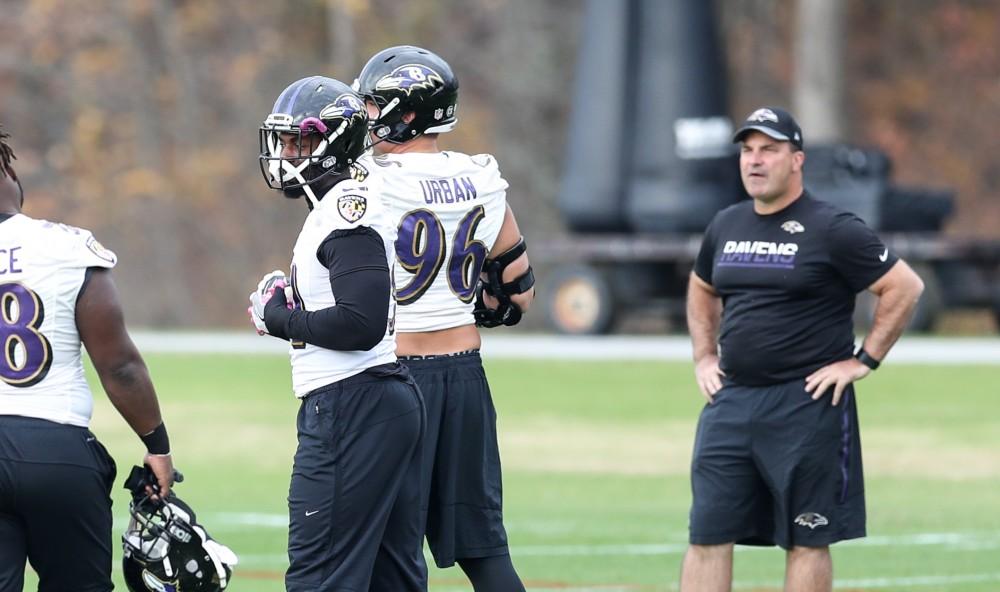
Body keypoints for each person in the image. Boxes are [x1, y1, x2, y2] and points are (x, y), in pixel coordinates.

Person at [680, 107, 925, 592]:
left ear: (797, 160)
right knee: (707, 534)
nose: (754, 161)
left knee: (807, 540)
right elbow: (701, 288)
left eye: (768, 150)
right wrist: (704, 356)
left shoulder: (832, 227)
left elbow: (905, 287)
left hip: (806, 406)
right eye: (747, 151)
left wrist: (863, 360)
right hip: (731, 402)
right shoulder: (726, 225)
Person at [353, 45, 535, 592]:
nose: (364, 116)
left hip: (395, 376)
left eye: (372, 104)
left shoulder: (368, 179)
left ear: (406, 112)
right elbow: (518, 292)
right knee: (485, 552)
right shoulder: (480, 175)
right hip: (465, 374)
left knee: (393, 550)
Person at [252, 76, 426, 592]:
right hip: (375, 400)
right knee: (390, 580)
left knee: (318, 577)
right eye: (282, 141)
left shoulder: (346, 213)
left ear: (336, 141)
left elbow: (362, 323)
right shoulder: (339, 207)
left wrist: (277, 318)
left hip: (352, 405)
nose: (285, 154)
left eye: (298, 141)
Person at [0, 124, 176, 592]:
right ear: (9, 171)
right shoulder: (65, 245)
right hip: (56, 449)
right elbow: (118, 364)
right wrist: (157, 445)